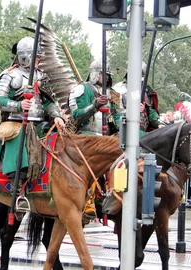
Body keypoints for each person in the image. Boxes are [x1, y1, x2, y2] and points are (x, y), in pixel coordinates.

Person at [0, 36, 65, 218]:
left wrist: (57, 116)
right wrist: (19, 106)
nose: (39, 60)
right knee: (20, 138)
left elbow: (48, 102)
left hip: (40, 123)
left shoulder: (41, 76)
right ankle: (17, 191)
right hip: (16, 121)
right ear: (25, 56)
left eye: (39, 58)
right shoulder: (11, 75)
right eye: (36, 57)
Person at [68, 58, 123, 220]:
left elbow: (118, 115)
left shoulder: (113, 94)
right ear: (94, 74)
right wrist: (94, 105)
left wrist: (124, 128)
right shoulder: (82, 89)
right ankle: (89, 201)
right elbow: (76, 116)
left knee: (122, 158)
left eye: (107, 75)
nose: (105, 78)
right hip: (86, 137)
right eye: (101, 74)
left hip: (106, 138)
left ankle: (116, 195)